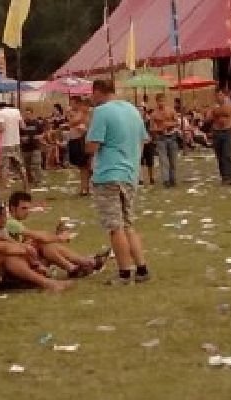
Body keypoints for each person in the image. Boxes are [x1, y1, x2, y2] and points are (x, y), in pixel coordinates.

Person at [84, 79, 152, 285]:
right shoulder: (132, 110)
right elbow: (142, 141)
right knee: (128, 224)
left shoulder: (102, 112)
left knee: (115, 227)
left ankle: (124, 272)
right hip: (129, 173)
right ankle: (141, 268)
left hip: (108, 174)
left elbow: (92, 147)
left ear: (97, 92)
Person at [0, 192, 111, 278]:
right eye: (23, 208)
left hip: (23, 256)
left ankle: (82, 265)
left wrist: (55, 235)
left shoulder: (13, 222)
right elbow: (37, 237)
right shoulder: (10, 222)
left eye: (28, 208)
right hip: (17, 261)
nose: (27, 212)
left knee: (46, 244)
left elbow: (35, 238)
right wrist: (59, 237)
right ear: (12, 208)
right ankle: (84, 264)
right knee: (42, 243)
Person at [208, 92, 231, 185]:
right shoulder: (214, 109)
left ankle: (228, 177)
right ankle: (223, 176)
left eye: (221, 95)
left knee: (227, 155)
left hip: (227, 132)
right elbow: (208, 120)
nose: (219, 97)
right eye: (218, 95)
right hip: (217, 132)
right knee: (219, 156)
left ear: (225, 96)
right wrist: (210, 112)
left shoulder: (230, 108)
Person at [150, 96, 182, 188]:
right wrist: (158, 129)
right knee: (163, 161)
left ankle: (173, 179)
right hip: (161, 138)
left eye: (162, 101)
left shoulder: (171, 111)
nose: (161, 103)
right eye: (159, 101)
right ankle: (166, 180)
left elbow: (177, 122)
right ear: (156, 102)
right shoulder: (154, 114)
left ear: (165, 101)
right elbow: (151, 128)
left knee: (173, 161)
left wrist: (168, 124)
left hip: (172, 137)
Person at [0, 102, 27, 189]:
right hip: (16, 142)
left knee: (4, 166)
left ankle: (4, 186)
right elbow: (23, 126)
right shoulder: (16, 111)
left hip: (6, 143)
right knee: (20, 165)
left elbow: (1, 128)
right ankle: (25, 185)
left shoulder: (0, 113)